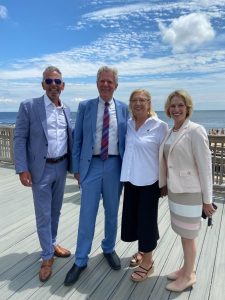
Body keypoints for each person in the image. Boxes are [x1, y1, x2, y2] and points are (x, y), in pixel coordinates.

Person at [64, 66, 129, 286]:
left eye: (109, 81)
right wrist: (76, 169)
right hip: (91, 166)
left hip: (114, 166)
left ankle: (108, 248)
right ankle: (81, 260)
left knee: (112, 211)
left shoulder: (123, 108)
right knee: (87, 214)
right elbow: (77, 138)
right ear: (96, 83)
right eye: (102, 80)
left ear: (116, 85)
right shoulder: (85, 107)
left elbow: (130, 138)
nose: (105, 84)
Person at [14, 66, 73, 282]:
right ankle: (46, 256)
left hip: (61, 166)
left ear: (63, 86)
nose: (53, 85)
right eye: (49, 81)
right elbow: (19, 138)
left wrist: (75, 167)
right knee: (43, 214)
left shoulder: (66, 108)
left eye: (57, 82)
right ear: (43, 85)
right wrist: (22, 168)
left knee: (55, 211)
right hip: (41, 168)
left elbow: (71, 137)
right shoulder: (30, 106)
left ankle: (52, 243)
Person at [159, 90, 216, 292]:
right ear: (168, 109)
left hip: (191, 193)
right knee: (183, 233)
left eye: (180, 105)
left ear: (188, 108)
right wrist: (164, 183)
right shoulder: (169, 131)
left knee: (189, 235)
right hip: (175, 191)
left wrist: (207, 200)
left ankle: (189, 275)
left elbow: (205, 167)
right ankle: (186, 268)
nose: (176, 109)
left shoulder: (195, 130)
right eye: (173, 105)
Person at [120, 89, 168, 282]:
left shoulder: (160, 126)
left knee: (147, 221)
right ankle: (142, 251)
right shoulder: (129, 125)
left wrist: (166, 183)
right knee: (134, 218)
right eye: (134, 100)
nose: (138, 103)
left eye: (142, 100)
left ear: (149, 103)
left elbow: (166, 155)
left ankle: (147, 262)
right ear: (130, 104)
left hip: (150, 182)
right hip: (131, 180)